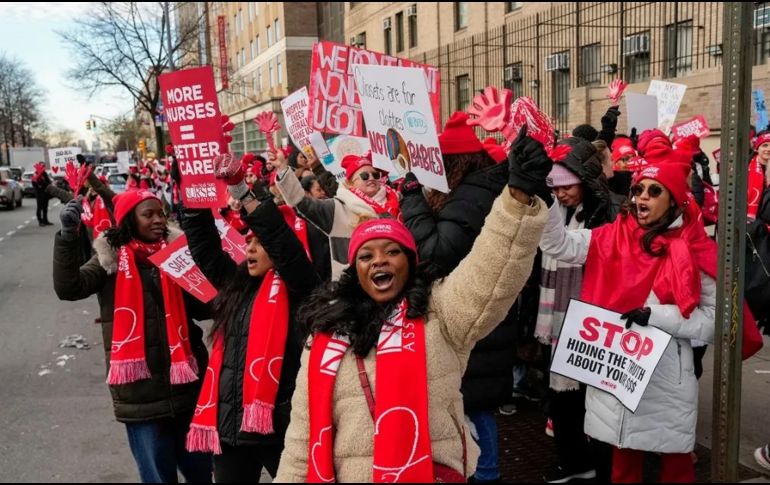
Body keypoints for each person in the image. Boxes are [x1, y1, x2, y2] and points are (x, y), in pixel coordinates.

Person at [274, 128, 550, 482]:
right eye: (367, 256)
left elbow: (492, 269)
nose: (379, 262)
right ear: (355, 269)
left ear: (410, 262)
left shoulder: (440, 314)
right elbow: (300, 444)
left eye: (392, 252)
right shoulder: (325, 337)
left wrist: (517, 198)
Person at [539, 149, 716, 483]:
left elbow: (712, 321)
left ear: (674, 198)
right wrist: (542, 198)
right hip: (617, 372)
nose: (642, 198)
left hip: (667, 381)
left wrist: (657, 316)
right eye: (638, 190)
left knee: (676, 468)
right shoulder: (612, 235)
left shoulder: (695, 247)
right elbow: (557, 244)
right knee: (622, 466)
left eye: (654, 190)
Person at [52, 190, 212, 483]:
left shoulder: (178, 253)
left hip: (189, 387)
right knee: (158, 477)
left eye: (160, 214)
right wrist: (67, 235)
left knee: (201, 474)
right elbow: (69, 288)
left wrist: (205, 268)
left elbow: (206, 308)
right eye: (148, 214)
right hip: (141, 396)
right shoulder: (108, 259)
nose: (157, 220)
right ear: (129, 220)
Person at [181, 155, 320, 482]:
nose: (250, 248)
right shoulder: (235, 285)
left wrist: (241, 190)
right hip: (231, 431)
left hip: (282, 430)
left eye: (260, 243)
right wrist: (195, 191)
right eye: (247, 241)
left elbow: (284, 245)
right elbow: (205, 251)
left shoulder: (303, 287)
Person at [399, 110, 510, 483]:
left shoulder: (471, 195)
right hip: (474, 316)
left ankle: (486, 474)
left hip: (474, 322)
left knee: (474, 407)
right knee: (469, 406)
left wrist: (412, 197)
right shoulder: (472, 190)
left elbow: (433, 253)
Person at [534, 138, 617, 483]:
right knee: (561, 401)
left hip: (593, 320)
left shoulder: (609, 211)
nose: (562, 194)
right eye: (556, 186)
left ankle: (599, 467)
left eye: (568, 186)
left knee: (594, 406)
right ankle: (573, 464)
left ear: (586, 180)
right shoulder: (556, 210)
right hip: (554, 321)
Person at [272, 149, 397, 279]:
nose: (371, 178)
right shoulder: (337, 207)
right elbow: (301, 203)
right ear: (350, 183)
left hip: (393, 280)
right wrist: (282, 169)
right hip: (353, 287)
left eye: (375, 175)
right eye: (364, 176)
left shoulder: (396, 204)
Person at [31, 162, 53, 226]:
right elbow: (34, 183)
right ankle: (40, 221)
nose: (43, 168)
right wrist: (39, 185)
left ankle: (45, 220)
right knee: (39, 207)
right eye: (42, 166)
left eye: (44, 166)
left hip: (45, 193)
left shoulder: (44, 173)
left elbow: (48, 182)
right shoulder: (36, 174)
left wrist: (46, 183)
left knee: (45, 207)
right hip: (39, 194)